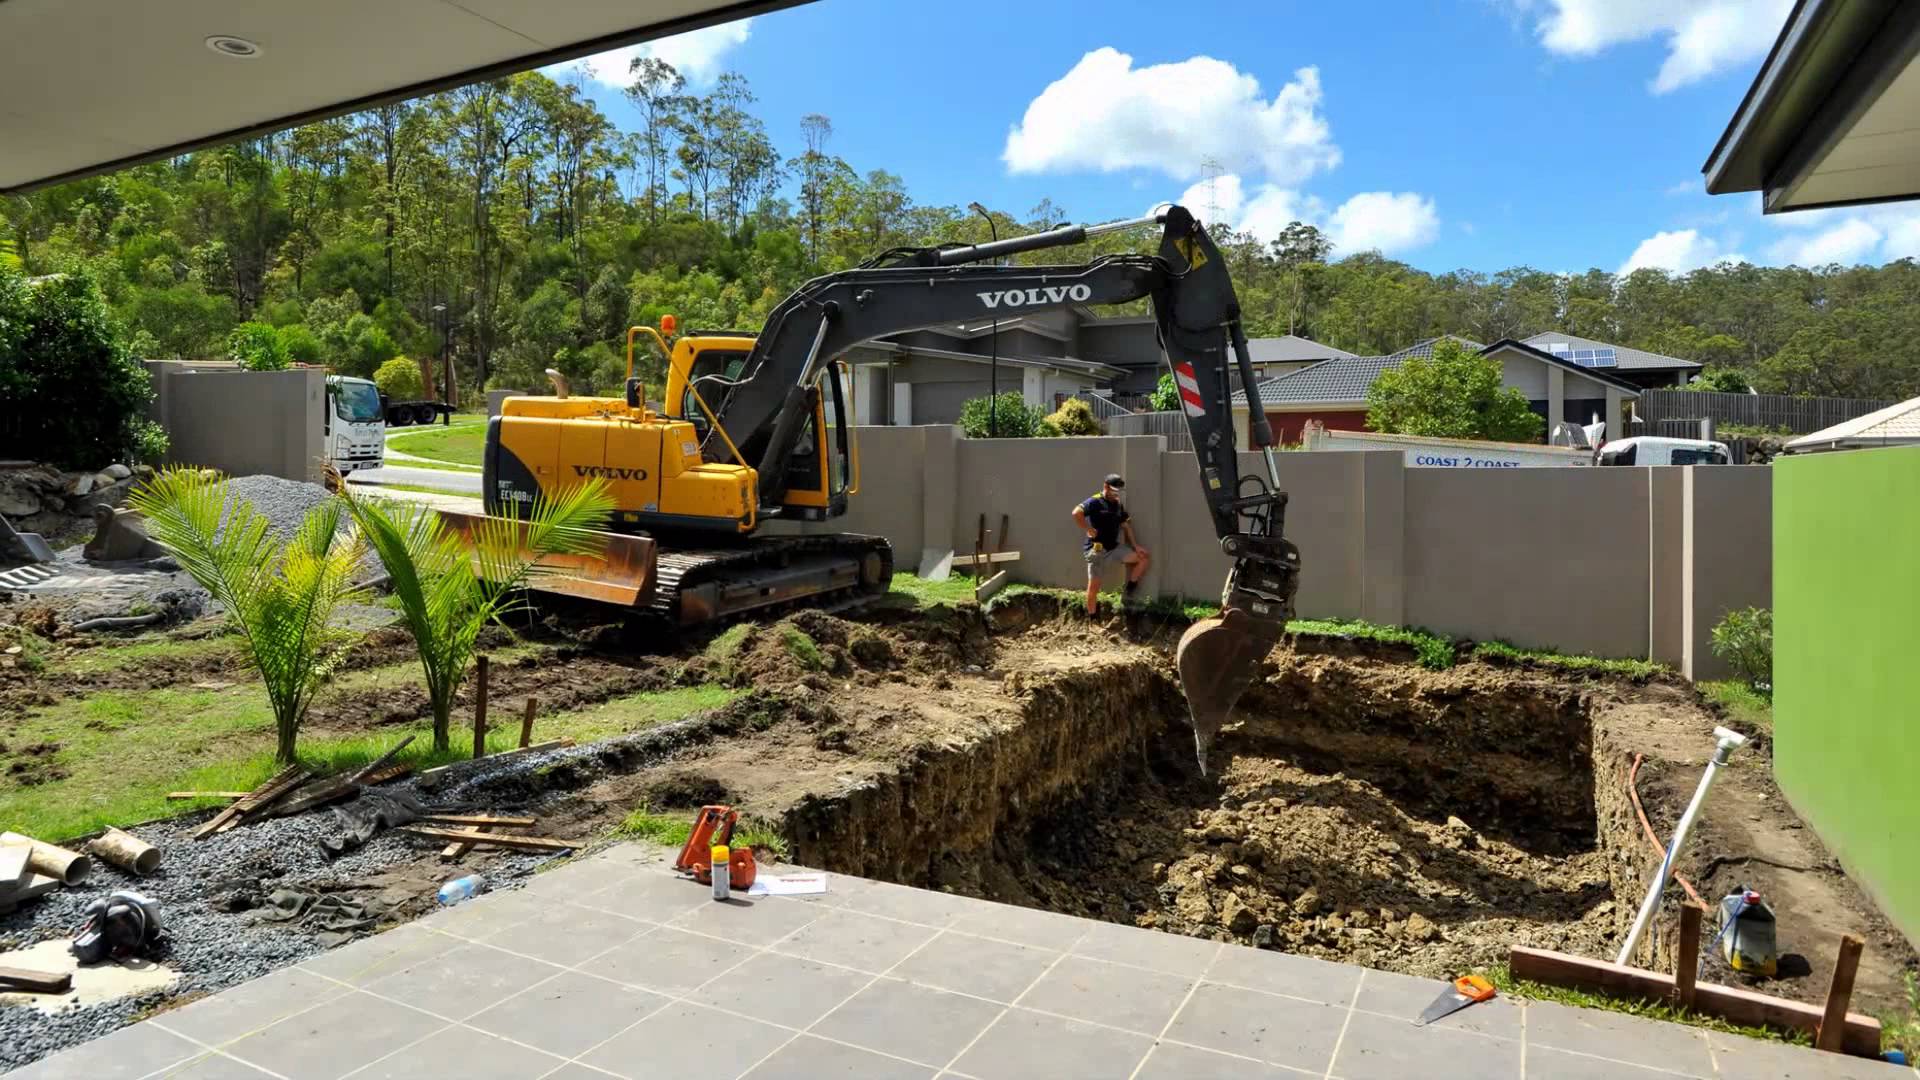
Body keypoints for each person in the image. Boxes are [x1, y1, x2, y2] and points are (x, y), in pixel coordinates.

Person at [1072, 473, 1150, 616]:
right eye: (1114, 490)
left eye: (1118, 491)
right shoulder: (1095, 501)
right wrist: (1088, 529)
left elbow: (1126, 526)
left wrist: (1136, 546)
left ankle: (1128, 592)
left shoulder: (1117, 505)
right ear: (1105, 486)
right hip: (1096, 551)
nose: (1116, 493)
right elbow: (1076, 513)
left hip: (1114, 548)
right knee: (1094, 588)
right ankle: (1092, 618)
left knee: (1143, 558)